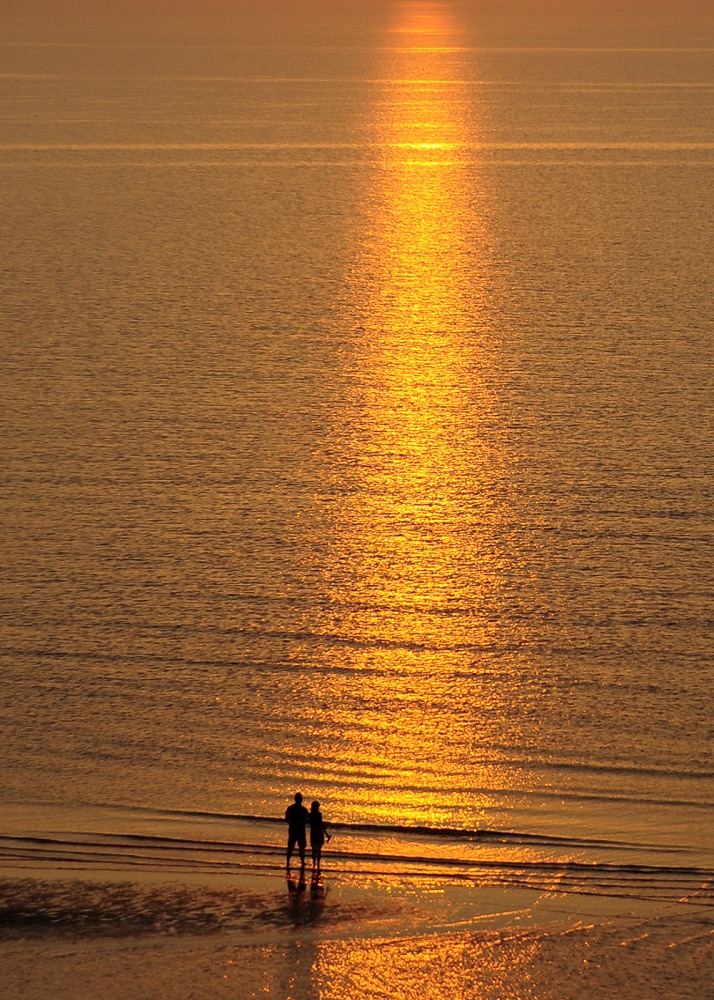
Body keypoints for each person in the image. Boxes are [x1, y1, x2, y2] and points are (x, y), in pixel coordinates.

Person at [285, 792, 309, 869]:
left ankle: (288, 861)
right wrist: (298, 823)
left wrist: (292, 823)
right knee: (301, 847)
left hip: (292, 829)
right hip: (300, 830)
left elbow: (287, 818)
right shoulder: (303, 809)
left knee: (291, 846)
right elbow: (306, 820)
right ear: (301, 800)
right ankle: (302, 862)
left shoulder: (290, 808)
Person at [307, 799, 331, 870]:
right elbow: (321, 825)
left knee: (313, 850)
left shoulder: (309, 815)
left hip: (314, 832)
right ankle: (318, 864)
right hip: (319, 832)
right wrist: (326, 834)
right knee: (319, 850)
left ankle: (314, 864)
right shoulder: (319, 815)